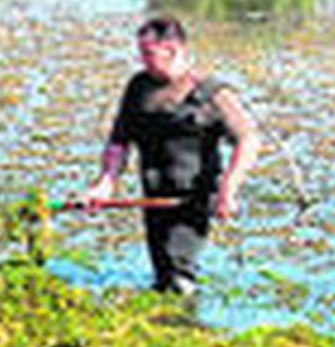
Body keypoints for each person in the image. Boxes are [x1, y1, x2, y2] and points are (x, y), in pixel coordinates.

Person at [79, 17, 260, 294]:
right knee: (163, 273)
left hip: (192, 199)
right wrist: (105, 182)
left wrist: (228, 189)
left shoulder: (212, 94)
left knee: (179, 276)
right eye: (141, 53)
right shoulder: (139, 87)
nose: (143, 60)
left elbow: (248, 140)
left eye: (149, 54)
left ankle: (186, 325)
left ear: (173, 50)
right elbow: (119, 141)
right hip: (152, 196)